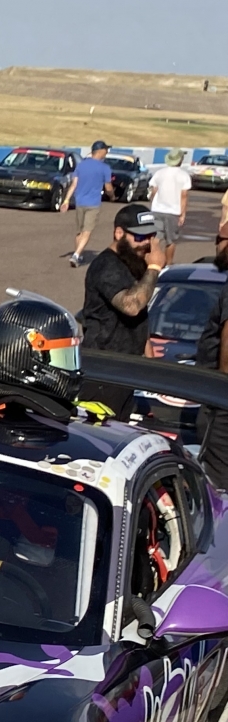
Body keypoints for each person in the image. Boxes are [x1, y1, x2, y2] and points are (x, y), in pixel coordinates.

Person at [78, 202, 162, 360]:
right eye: (140, 237)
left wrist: (151, 361)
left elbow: (140, 316)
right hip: (104, 358)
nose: (147, 243)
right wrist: (154, 267)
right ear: (119, 233)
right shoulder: (106, 265)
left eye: (151, 236)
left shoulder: (135, 260)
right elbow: (131, 306)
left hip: (130, 359)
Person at [190, 224, 228, 487]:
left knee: (216, 482)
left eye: (221, 238)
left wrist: (221, 392)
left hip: (222, 404)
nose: (217, 244)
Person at [61, 140, 115, 267]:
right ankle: (76, 255)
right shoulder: (105, 168)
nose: (107, 152)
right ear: (100, 151)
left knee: (79, 231)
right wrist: (112, 196)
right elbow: (108, 187)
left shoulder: (81, 165)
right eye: (106, 150)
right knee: (87, 231)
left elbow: (74, 184)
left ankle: (78, 254)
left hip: (80, 202)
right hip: (93, 203)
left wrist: (66, 200)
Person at [146, 149, 191, 266]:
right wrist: (183, 214)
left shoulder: (159, 173)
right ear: (180, 160)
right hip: (173, 211)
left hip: (157, 209)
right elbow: (184, 196)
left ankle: (152, 261)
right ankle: (168, 264)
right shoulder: (184, 175)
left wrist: (154, 203)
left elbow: (154, 191)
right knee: (171, 240)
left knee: (155, 238)